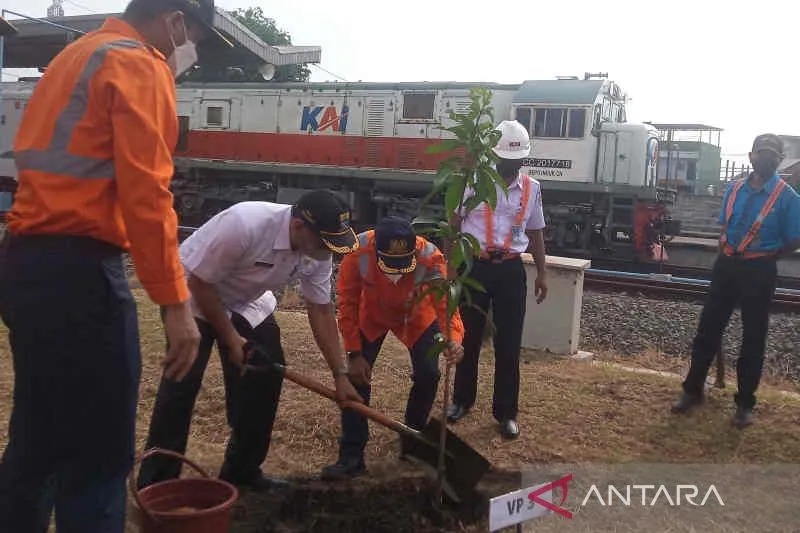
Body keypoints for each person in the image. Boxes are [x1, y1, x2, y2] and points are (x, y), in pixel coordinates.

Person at [0, 1, 231, 531]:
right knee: (100, 456)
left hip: (26, 262)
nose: (190, 48)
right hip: (80, 276)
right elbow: (147, 193)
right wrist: (174, 303)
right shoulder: (138, 64)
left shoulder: (74, 56)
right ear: (176, 19)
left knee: (37, 439)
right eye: (194, 33)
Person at [136, 190, 364, 491]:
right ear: (298, 227)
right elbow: (201, 283)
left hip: (246, 301)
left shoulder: (318, 248)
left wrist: (340, 375)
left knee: (264, 378)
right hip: (193, 293)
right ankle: (157, 484)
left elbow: (321, 310)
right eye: (323, 242)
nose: (327, 251)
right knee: (182, 384)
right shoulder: (245, 224)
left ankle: (241, 471)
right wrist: (231, 338)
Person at [320, 216, 465, 479]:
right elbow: (348, 302)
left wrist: (454, 337)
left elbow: (445, 303)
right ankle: (352, 454)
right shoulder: (357, 250)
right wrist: (353, 353)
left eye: (403, 265)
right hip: (372, 316)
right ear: (376, 251)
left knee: (429, 375)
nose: (398, 271)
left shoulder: (430, 256)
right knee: (356, 378)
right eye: (391, 265)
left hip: (417, 316)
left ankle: (413, 437)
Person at [672, 134, 800, 427]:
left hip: (760, 270)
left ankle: (744, 404)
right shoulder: (734, 189)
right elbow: (726, 226)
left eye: (771, 155)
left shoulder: (789, 199)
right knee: (707, 330)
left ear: (779, 161)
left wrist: (767, 257)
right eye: (760, 153)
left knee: (753, 338)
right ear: (751, 156)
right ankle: (692, 392)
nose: (764, 159)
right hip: (726, 265)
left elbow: (794, 240)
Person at [445, 119, 548, 439]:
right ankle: (462, 400)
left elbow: (536, 231)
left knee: (508, 344)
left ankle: (506, 413)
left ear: (523, 160)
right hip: (475, 267)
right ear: (494, 156)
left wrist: (542, 272)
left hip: (510, 271)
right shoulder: (471, 183)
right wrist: (449, 269)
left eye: (516, 161)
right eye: (506, 161)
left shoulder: (532, 188)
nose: (511, 166)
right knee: (468, 338)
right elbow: (452, 224)